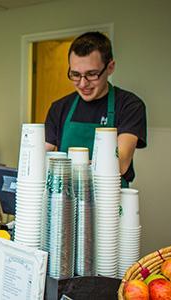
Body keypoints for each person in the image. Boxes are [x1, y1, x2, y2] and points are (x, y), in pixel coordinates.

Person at [45, 32, 147, 187]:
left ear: (110, 67)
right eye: (75, 74)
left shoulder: (129, 105)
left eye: (92, 74)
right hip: (67, 201)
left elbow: (120, 163)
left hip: (110, 202)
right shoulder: (59, 108)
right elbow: (42, 158)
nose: (82, 84)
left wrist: (65, 168)